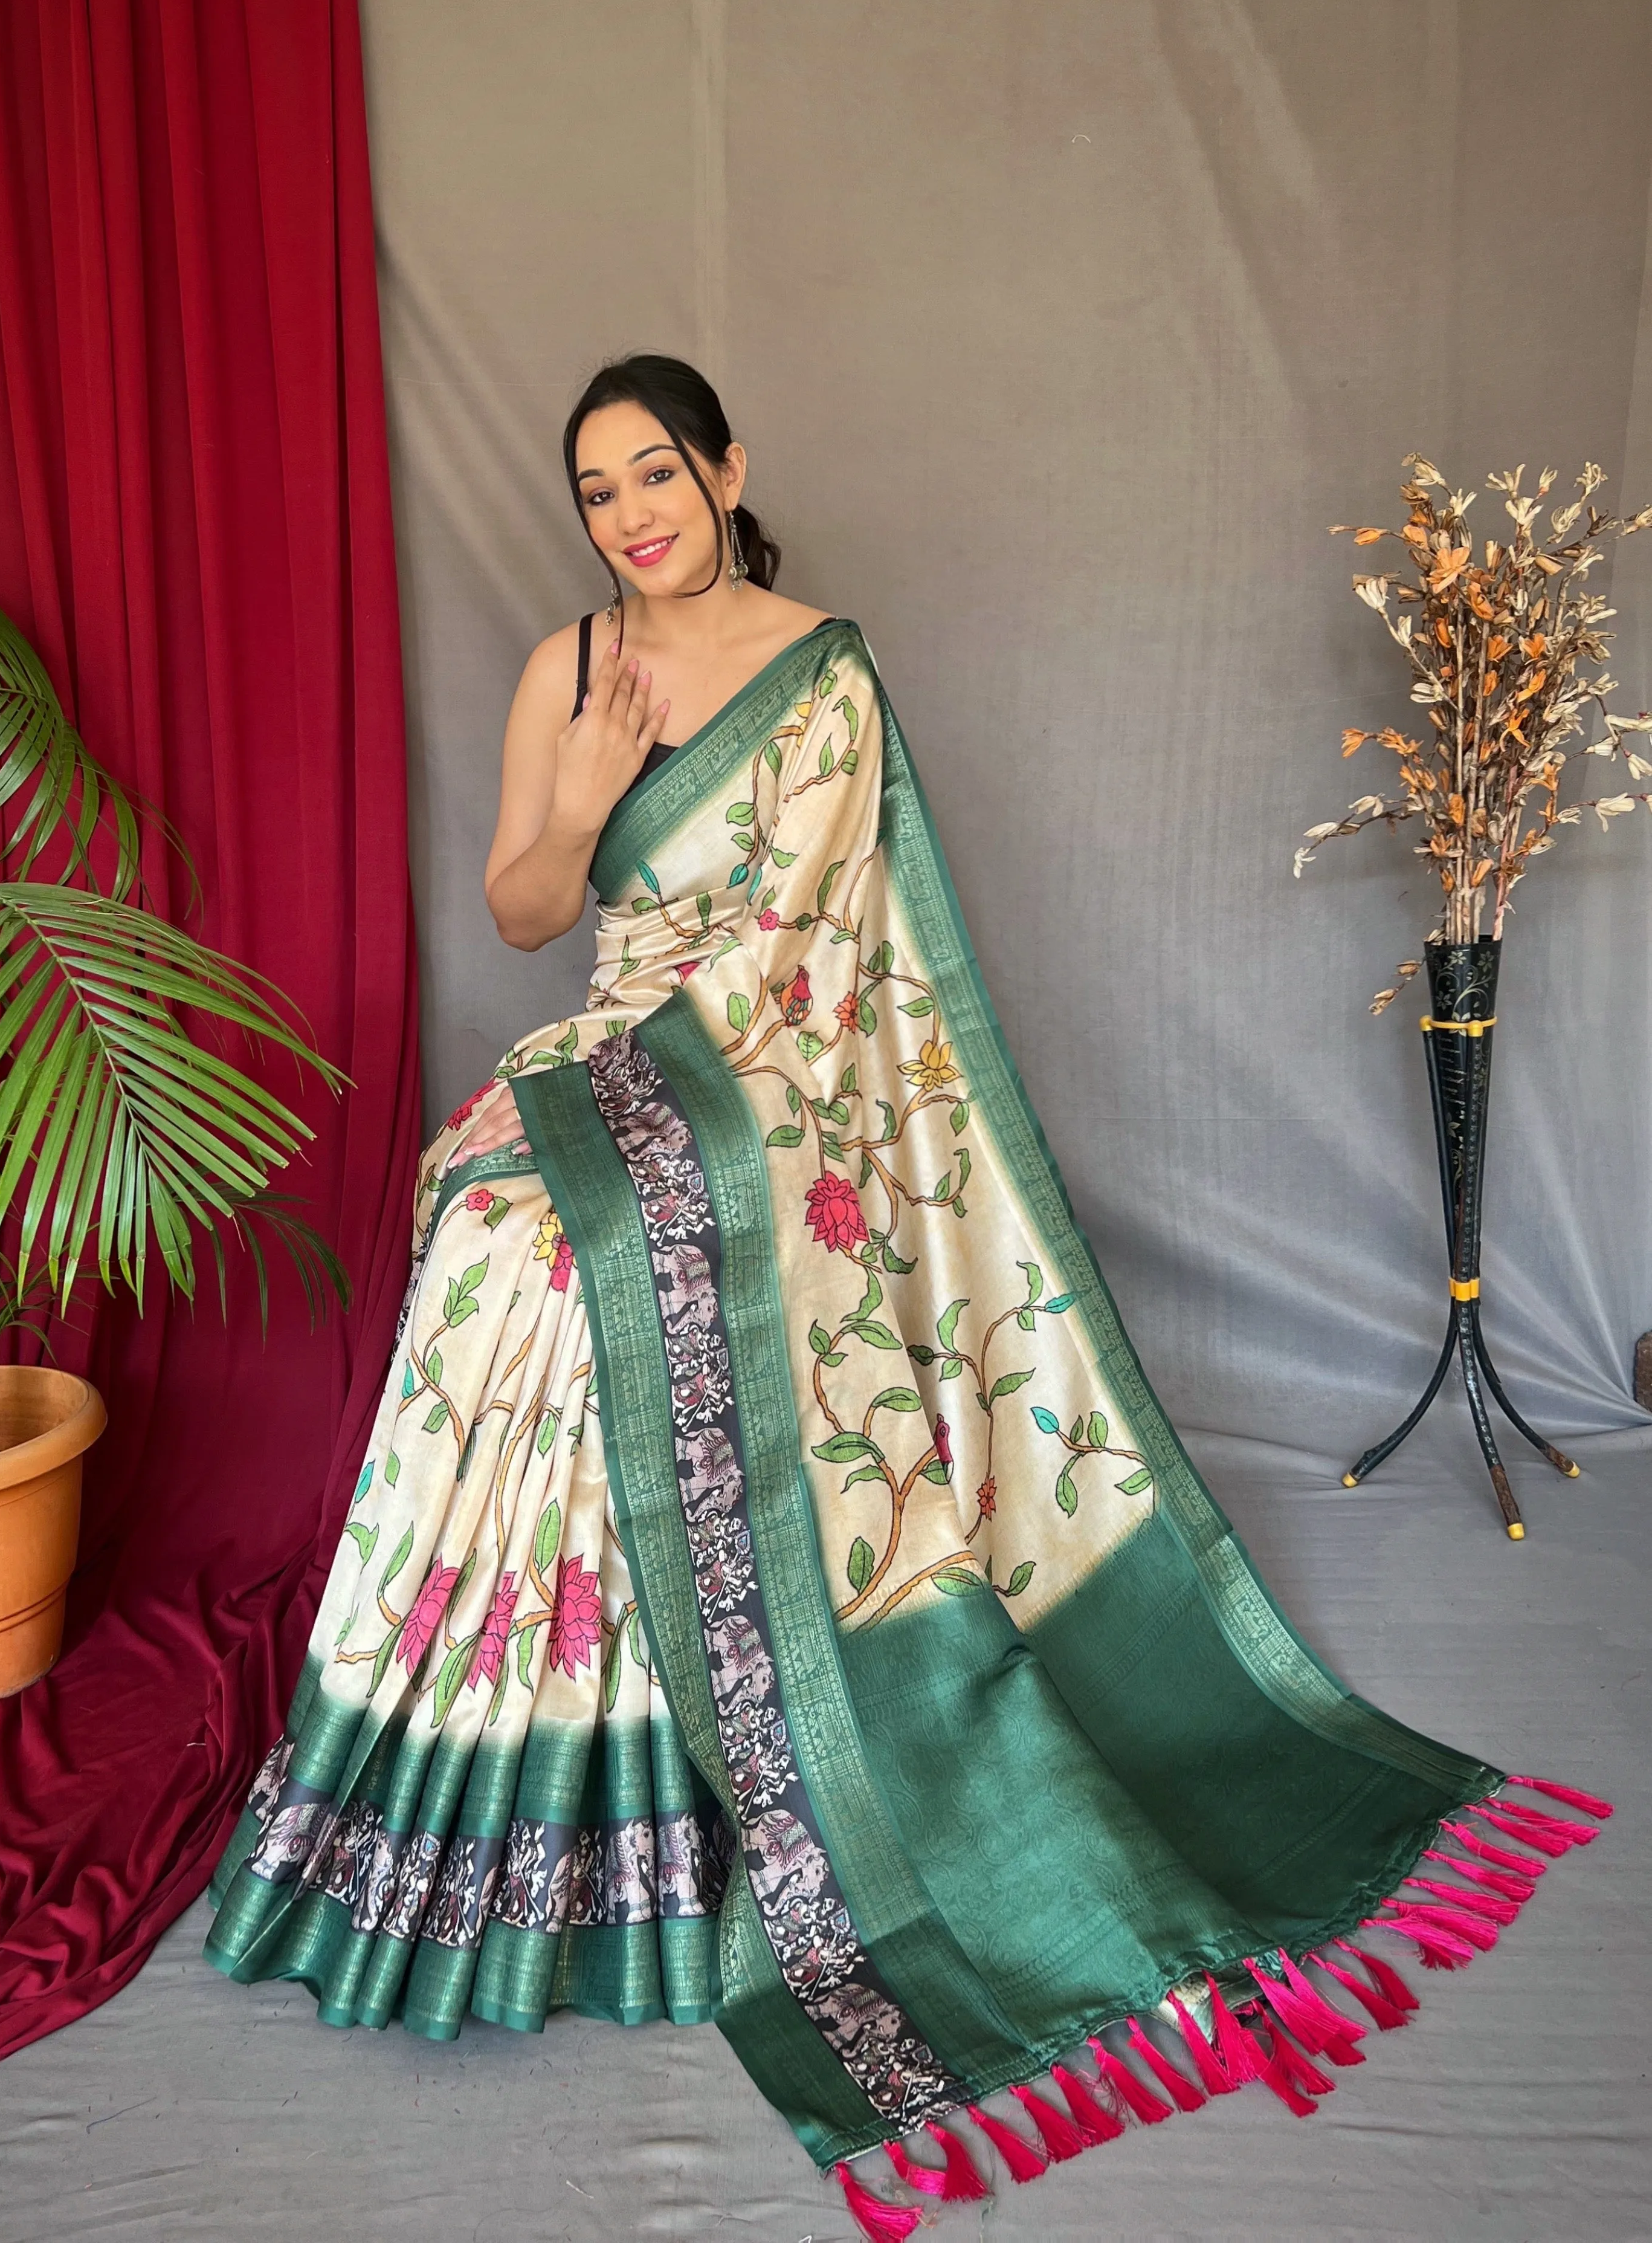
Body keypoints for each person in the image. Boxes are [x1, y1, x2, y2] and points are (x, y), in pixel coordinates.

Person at [206, 355, 1605, 2231]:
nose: (631, 515)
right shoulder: (571, 669)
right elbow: (528, 915)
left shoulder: (824, 672)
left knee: (590, 1244)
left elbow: (845, 966)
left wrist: (735, 1086)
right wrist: (595, 783)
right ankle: (482, 1774)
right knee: (492, 1237)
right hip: (615, 1043)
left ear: (726, 471)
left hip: (778, 1075)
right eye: (598, 490)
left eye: (658, 475)